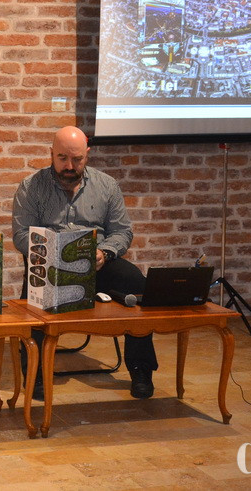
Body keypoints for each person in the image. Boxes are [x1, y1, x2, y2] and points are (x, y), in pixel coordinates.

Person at [12, 126, 157, 400]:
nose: (69, 166)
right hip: (51, 266)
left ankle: (141, 370)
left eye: (77, 159)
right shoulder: (31, 187)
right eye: (62, 158)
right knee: (36, 292)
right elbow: (21, 235)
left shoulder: (106, 185)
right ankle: (36, 373)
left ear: (87, 155)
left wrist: (105, 252)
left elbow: (122, 231)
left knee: (136, 282)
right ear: (51, 154)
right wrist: (50, 252)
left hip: (97, 264)